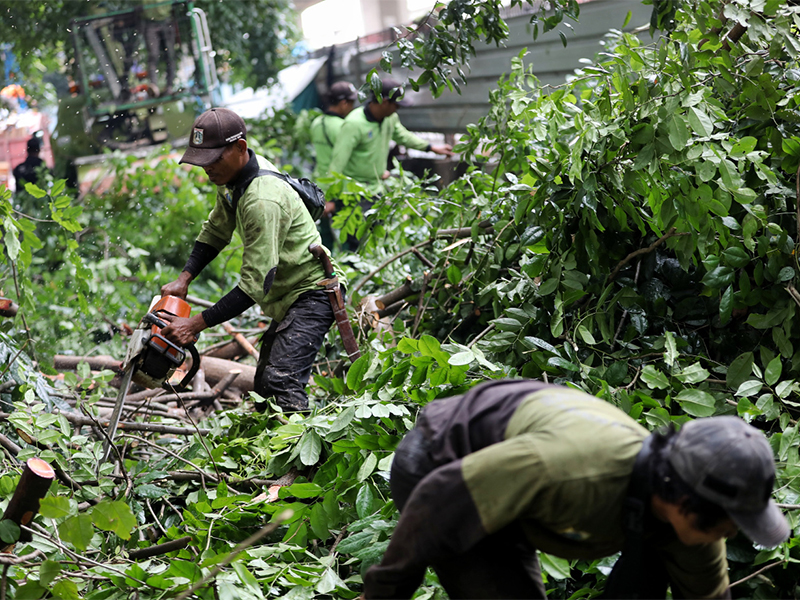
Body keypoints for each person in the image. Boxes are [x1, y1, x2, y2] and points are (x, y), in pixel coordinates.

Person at [364, 379, 791, 599]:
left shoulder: (694, 525)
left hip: (514, 489)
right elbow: (438, 500)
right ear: (681, 498)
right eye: (727, 523)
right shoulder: (575, 472)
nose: (730, 535)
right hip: (443, 462)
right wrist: (384, 592)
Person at [158, 107, 344, 412]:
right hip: (286, 295)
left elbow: (255, 284)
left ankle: (311, 455)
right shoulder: (233, 179)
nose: (208, 169)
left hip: (311, 293)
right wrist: (184, 278)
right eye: (202, 161)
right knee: (264, 389)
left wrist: (195, 324)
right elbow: (217, 230)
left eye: (213, 160)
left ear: (240, 147)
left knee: (281, 385)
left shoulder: (261, 199)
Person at [327, 77, 453, 192]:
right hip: (355, 190)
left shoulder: (390, 118)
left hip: (377, 187)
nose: (397, 109)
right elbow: (338, 161)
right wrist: (329, 196)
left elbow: (402, 135)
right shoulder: (354, 123)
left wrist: (431, 148)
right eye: (396, 105)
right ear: (385, 102)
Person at [310, 81, 358, 249]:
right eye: (351, 103)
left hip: (320, 186)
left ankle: (328, 270)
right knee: (348, 237)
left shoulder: (316, 123)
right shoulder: (343, 127)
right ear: (344, 103)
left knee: (325, 238)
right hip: (340, 188)